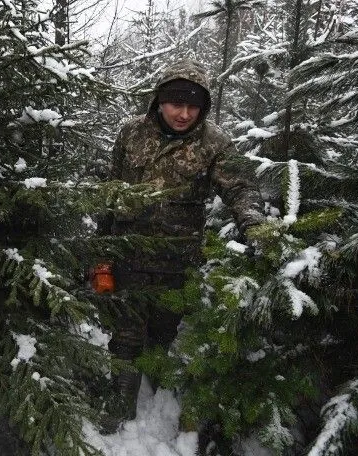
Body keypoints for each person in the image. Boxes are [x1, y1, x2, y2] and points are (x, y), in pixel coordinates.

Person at [102, 60, 264, 431]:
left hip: (178, 258)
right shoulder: (131, 133)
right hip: (129, 253)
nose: (184, 113)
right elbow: (111, 190)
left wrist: (255, 226)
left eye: (194, 106)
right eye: (176, 104)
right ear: (159, 101)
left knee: (163, 331)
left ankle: (159, 386)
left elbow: (240, 187)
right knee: (125, 336)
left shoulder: (215, 142)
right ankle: (118, 406)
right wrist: (101, 248)